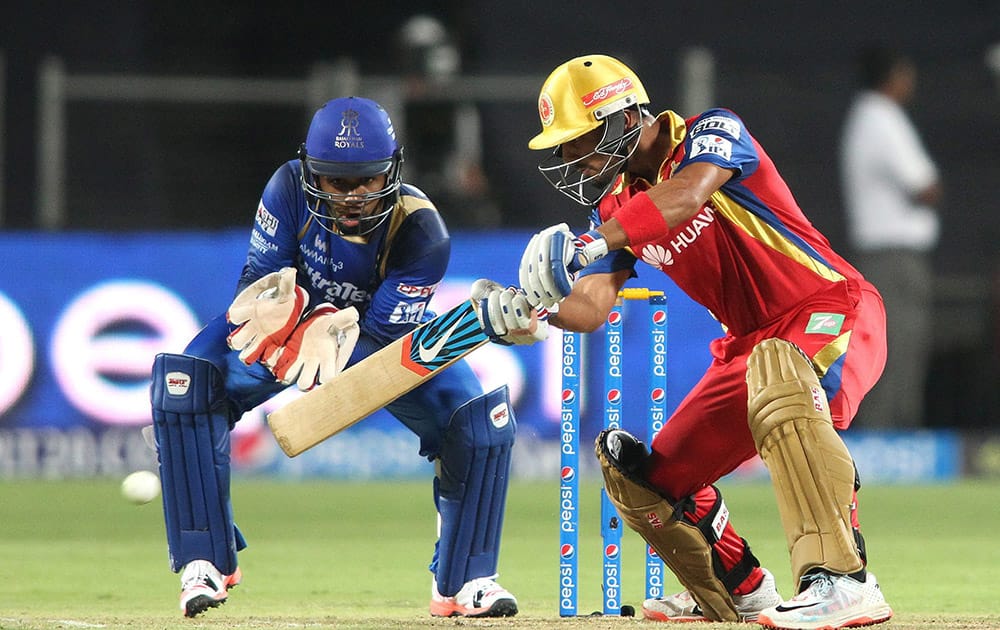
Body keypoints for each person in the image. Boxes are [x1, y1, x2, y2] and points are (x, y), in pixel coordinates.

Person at [473, 54, 893, 629]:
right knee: (644, 478)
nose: (571, 157)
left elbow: (689, 193)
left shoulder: (710, 133)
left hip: (829, 307)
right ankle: (741, 590)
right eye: (564, 147)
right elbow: (592, 306)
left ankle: (843, 583)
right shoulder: (616, 204)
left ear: (622, 117)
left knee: (781, 376)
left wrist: (590, 244)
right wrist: (532, 310)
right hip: (751, 347)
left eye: (578, 140)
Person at [149, 96, 518, 619]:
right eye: (337, 182)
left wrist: (328, 332)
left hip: (380, 346)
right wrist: (278, 309)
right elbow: (253, 284)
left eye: (368, 179)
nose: (354, 196)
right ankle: (203, 563)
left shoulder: (422, 232)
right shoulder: (287, 188)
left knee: (481, 423)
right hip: (289, 336)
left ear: (391, 169)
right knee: (185, 385)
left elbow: (382, 350)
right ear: (310, 173)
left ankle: (465, 582)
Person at [840, 46, 942, 428]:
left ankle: (894, 436)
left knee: (898, 348)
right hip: (892, 256)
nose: (910, 81)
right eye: (905, 73)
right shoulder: (880, 116)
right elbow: (924, 187)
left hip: (887, 255)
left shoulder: (869, 116)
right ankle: (889, 439)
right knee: (896, 349)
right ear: (892, 75)